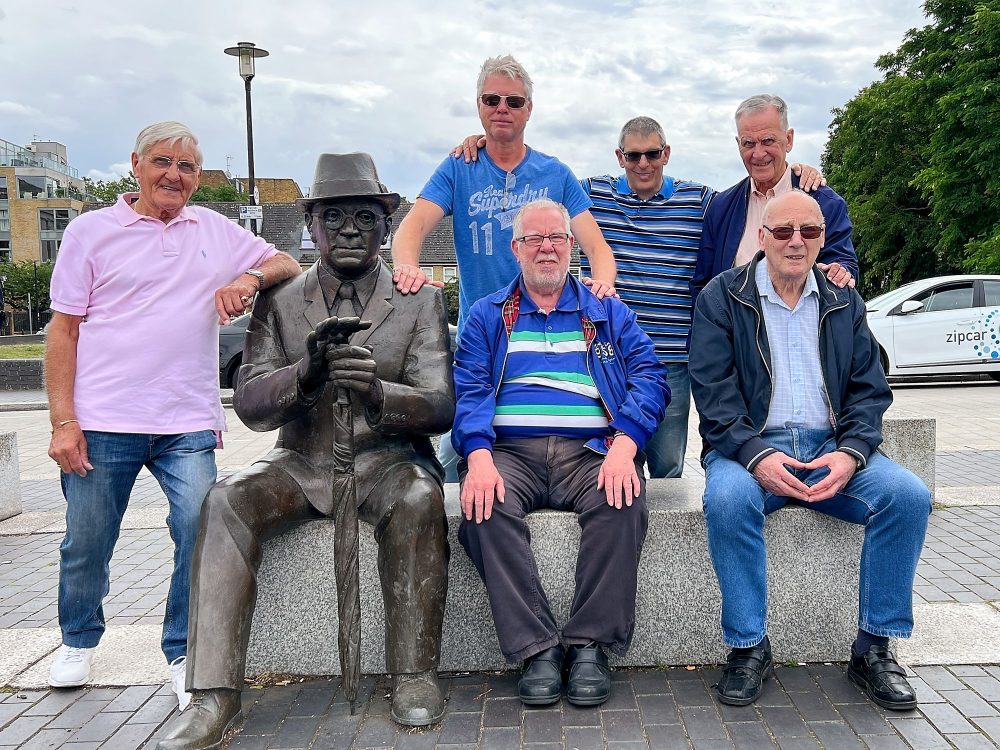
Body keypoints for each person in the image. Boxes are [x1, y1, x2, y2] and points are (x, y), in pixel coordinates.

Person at [155, 153, 454, 750]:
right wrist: (306, 373)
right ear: (309, 226)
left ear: (385, 226)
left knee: (421, 500)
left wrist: (377, 391)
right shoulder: (281, 300)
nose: (349, 229)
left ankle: (413, 673)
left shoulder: (418, 300)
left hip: (387, 461)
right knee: (224, 503)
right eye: (334, 216)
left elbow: (440, 405)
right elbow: (251, 406)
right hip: (302, 462)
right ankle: (213, 694)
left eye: (365, 217)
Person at [44, 121, 300, 707]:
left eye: (187, 167)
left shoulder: (211, 229)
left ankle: (184, 652)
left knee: (199, 529)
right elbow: (62, 331)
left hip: (185, 422)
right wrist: (63, 421)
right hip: (103, 420)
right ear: (135, 164)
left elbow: (285, 259)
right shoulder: (90, 232)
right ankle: (78, 639)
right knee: (87, 539)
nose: (174, 176)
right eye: (163, 162)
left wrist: (248, 276)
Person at [453, 115, 827, 478]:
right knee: (616, 457)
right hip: (608, 354)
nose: (643, 163)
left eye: (652, 154)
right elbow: (541, 191)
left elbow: (752, 201)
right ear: (620, 158)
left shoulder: (700, 200)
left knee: (667, 470)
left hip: (673, 357)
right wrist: (491, 145)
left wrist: (794, 175)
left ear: (667, 153)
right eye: (633, 155)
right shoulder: (592, 194)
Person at [689, 190, 930, 710]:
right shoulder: (721, 297)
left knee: (908, 497)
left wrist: (852, 453)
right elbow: (712, 392)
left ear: (823, 238)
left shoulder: (845, 300)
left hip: (830, 444)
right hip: (748, 448)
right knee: (728, 501)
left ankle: (873, 649)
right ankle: (749, 647)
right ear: (762, 238)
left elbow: (870, 389)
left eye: (810, 232)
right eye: (783, 231)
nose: (796, 242)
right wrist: (754, 454)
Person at [453, 198, 667, 708]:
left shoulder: (607, 310)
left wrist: (625, 444)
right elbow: (470, 388)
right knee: (484, 507)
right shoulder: (487, 317)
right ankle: (538, 648)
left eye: (556, 238)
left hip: (590, 449)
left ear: (572, 246)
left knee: (621, 502)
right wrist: (478, 455)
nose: (546, 247)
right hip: (512, 451)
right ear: (516, 248)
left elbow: (651, 378)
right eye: (535, 238)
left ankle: (589, 644)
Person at [392, 54, 618, 481]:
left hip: (547, 330)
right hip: (484, 336)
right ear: (478, 105)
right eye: (492, 99)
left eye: (514, 102)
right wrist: (408, 269)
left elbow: (597, 248)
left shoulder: (555, 173)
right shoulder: (460, 168)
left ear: (529, 109)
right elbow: (410, 230)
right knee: (456, 454)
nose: (502, 109)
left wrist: (602, 286)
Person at [693, 94, 858, 302]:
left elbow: (845, 267)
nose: (758, 153)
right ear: (738, 145)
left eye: (768, 141)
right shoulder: (721, 207)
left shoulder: (825, 203)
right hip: (735, 333)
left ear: (788, 140)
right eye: (748, 143)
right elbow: (703, 286)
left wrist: (838, 271)